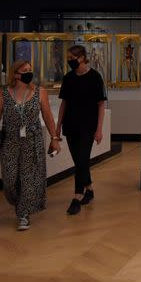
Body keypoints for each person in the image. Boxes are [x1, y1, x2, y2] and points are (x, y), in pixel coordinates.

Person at [0, 59, 60, 231]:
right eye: (25, 70)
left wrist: (55, 138)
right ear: (16, 74)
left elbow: (48, 116)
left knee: (28, 177)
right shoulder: (3, 94)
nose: (29, 73)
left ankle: (23, 213)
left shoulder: (40, 92)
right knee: (10, 179)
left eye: (30, 69)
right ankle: (18, 203)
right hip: (10, 139)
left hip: (32, 140)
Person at [56, 45, 107, 215]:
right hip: (70, 125)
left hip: (88, 126)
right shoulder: (68, 78)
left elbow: (101, 104)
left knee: (82, 158)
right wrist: (57, 126)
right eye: (68, 59)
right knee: (79, 160)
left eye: (73, 58)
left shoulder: (95, 78)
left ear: (83, 57)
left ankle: (77, 196)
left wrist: (99, 129)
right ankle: (90, 189)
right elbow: (64, 103)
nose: (70, 61)